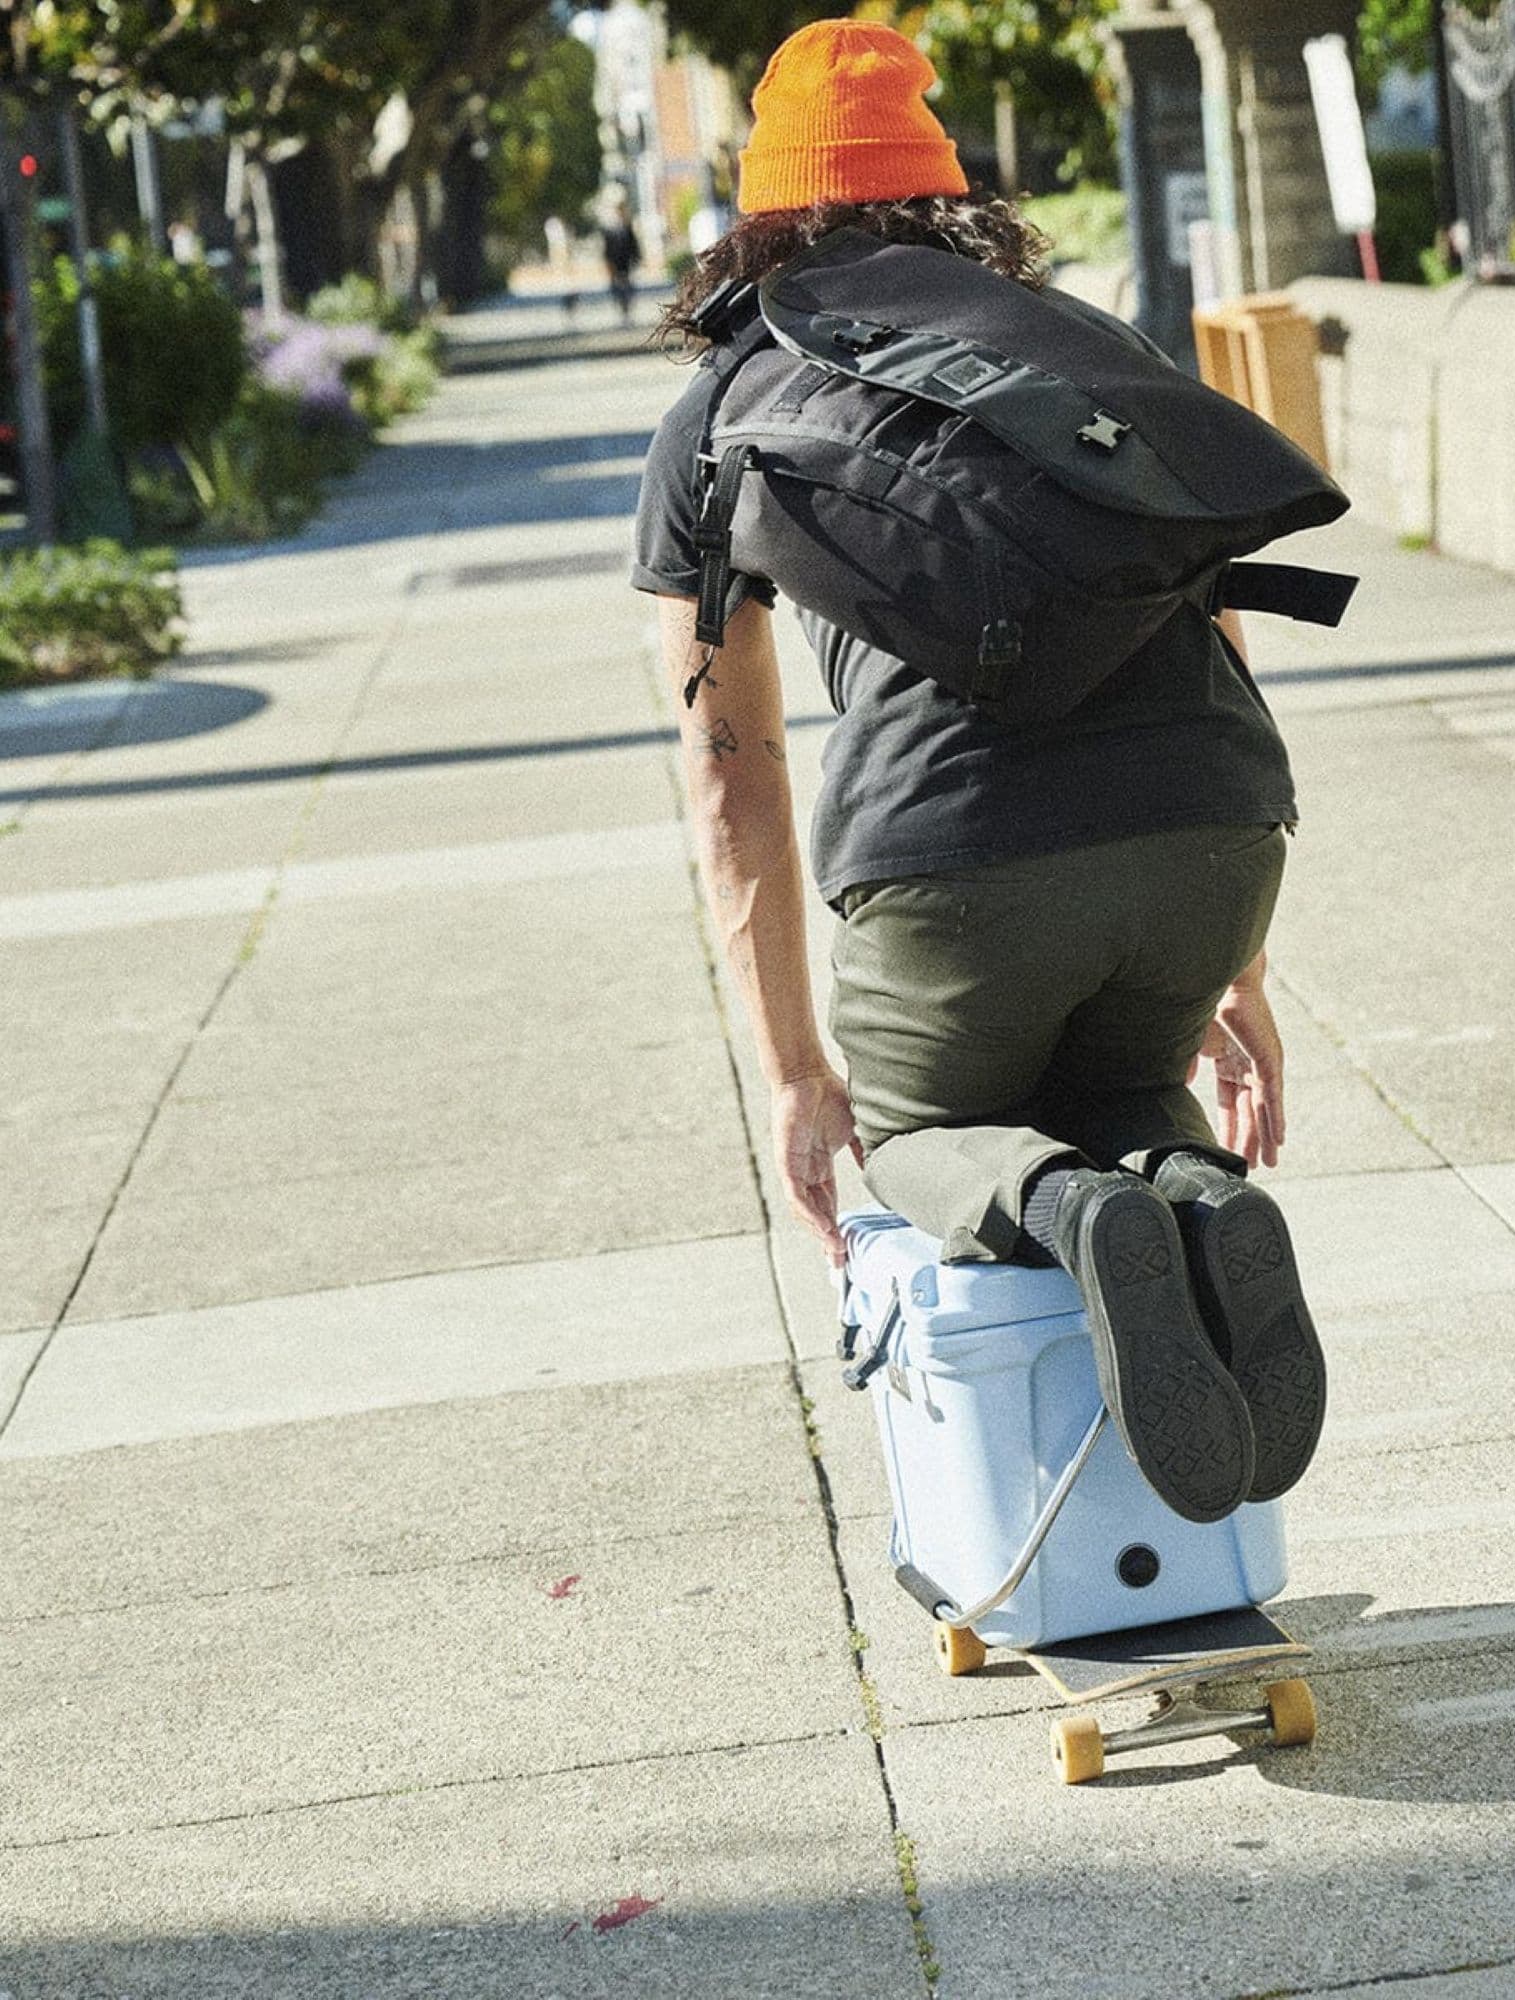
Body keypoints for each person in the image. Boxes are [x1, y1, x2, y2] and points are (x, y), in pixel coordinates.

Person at [631, 20, 1324, 1525]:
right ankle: (1196, 1195)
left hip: (954, 860)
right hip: (1218, 820)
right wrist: (1245, 964)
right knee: (1130, 1084)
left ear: (765, 219)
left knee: (936, 1133)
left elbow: (728, 771)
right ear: (957, 202)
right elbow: (1214, 625)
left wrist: (802, 1076)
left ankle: (1069, 1208)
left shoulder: (721, 409)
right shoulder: (1089, 352)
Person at [601, 198, 639, 324]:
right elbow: (606, 249)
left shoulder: (627, 227)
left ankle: (627, 311)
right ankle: (621, 310)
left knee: (628, 288)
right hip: (614, 263)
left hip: (626, 263)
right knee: (616, 288)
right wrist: (608, 264)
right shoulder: (609, 229)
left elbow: (634, 245)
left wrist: (637, 258)